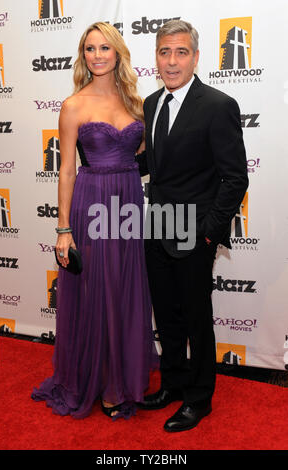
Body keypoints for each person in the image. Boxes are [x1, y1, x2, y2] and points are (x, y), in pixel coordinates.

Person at [32, 22, 155, 420]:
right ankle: (101, 381)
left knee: (125, 288)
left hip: (129, 201)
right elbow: (66, 170)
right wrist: (63, 228)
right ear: (82, 55)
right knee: (98, 289)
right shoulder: (73, 105)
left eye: (105, 48)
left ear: (118, 53)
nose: (97, 55)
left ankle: (122, 376)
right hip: (92, 201)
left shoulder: (135, 101)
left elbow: (142, 155)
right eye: (90, 48)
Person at [136, 20, 249, 432]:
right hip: (157, 227)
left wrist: (207, 233)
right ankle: (173, 384)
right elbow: (157, 165)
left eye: (180, 52)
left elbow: (235, 177)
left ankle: (199, 398)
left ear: (196, 57)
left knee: (197, 320)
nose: (171, 61)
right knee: (166, 316)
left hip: (194, 232)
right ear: (156, 58)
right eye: (164, 52)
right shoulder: (151, 103)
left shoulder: (218, 105)